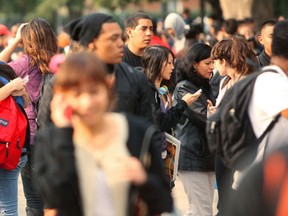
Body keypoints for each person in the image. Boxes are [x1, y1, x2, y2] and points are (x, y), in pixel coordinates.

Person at [34, 51, 173, 216]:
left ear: (108, 89)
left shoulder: (136, 131)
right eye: (77, 94)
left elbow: (165, 202)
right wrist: (64, 135)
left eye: (94, 92)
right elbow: (55, 198)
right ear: (63, 97)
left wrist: (143, 180)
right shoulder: (51, 138)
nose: (87, 102)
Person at [0, 18, 58, 216]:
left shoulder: (24, 64)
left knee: (33, 198)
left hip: (30, 137)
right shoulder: (59, 64)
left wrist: (15, 41)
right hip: (56, 137)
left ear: (28, 41)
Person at [207, 36, 258, 215]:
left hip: (243, 149)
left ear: (224, 60)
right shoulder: (225, 82)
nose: (212, 67)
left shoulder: (250, 82)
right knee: (224, 203)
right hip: (224, 149)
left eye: (215, 62)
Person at [173, 43, 216, 216]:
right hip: (192, 156)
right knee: (202, 211)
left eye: (213, 62)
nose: (212, 67)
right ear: (194, 64)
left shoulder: (206, 84)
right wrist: (214, 114)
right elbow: (204, 118)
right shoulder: (184, 87)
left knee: (199, 210)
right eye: (207, 63)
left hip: (206, 155)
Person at [141, 44, 201, 159]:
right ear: (157, 63)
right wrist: (183, 103)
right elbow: (162, 122)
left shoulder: (161, 90)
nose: (172, 67)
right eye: (169, 63)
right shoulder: (147, 90)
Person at [0, 62, 29, 216]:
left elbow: (26, 103)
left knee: (7, 207)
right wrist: (11, 87)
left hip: (14, 148)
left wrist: (23, 92)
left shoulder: (4, 67)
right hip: (6, 146)